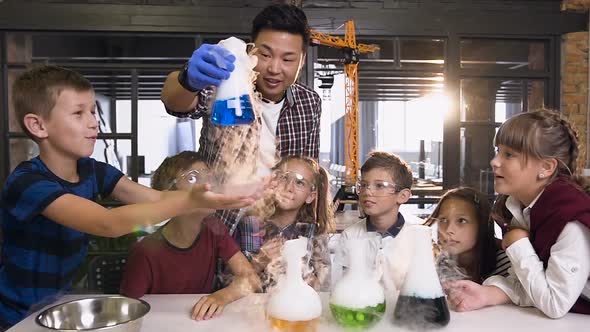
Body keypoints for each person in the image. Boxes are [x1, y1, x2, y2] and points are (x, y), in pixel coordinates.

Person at [0, 65, 256, 328]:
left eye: (93, 110)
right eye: (78, 113)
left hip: (56, 304)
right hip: (13, 313)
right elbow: (107, 223)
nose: (92, 121)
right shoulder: (27, 183)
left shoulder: (93, 171)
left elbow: (156, 199)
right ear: (38, 125)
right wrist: (190, 201)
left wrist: (219, 195)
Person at [161, 4, 322, 236]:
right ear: (251, 52)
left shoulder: (309, 103)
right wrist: (188, 79)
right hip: (218, 225)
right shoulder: (228, 87)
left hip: (277, 230)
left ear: (302, 61)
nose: (274, 68)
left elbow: (308, 170)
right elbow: (174, 103)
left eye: (288, 59)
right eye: (265, 55)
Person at [445, 109, 590, 318]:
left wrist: (517, 244)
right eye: (498, 151)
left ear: (546, 167)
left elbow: (555, 304)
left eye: (509, 154)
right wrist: (487, 294)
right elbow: (529, 281)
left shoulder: (570, 218)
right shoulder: (522, 207)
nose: (494, 161)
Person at [119, 151, 261, 321]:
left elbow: (251, 278)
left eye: (209, 177)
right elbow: (129, 313)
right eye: (193, 178)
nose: (208, 185)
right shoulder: (145, 253)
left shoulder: (215, 229)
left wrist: (222, 296)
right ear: (169, 195)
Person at [239, 156, 335, 291]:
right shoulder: (251, 225)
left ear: (310, 196)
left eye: (300, 183)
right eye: (284, 177)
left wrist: (297, 267)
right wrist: (259, 261)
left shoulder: (315, 234)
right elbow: (233, 283)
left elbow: (323, 287)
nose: (289, 187)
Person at [340, 151, 424, 291]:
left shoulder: (417, 239)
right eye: (364, 185)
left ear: (402, 196)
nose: (368, 192)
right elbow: (344, 286)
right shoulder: (350, 236)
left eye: (379, 186)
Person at [425, 187, 510, 283]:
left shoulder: (505, 265)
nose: (449, 229)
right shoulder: (432, 261)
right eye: (443, 220)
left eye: (461, 220)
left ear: (482, 224)